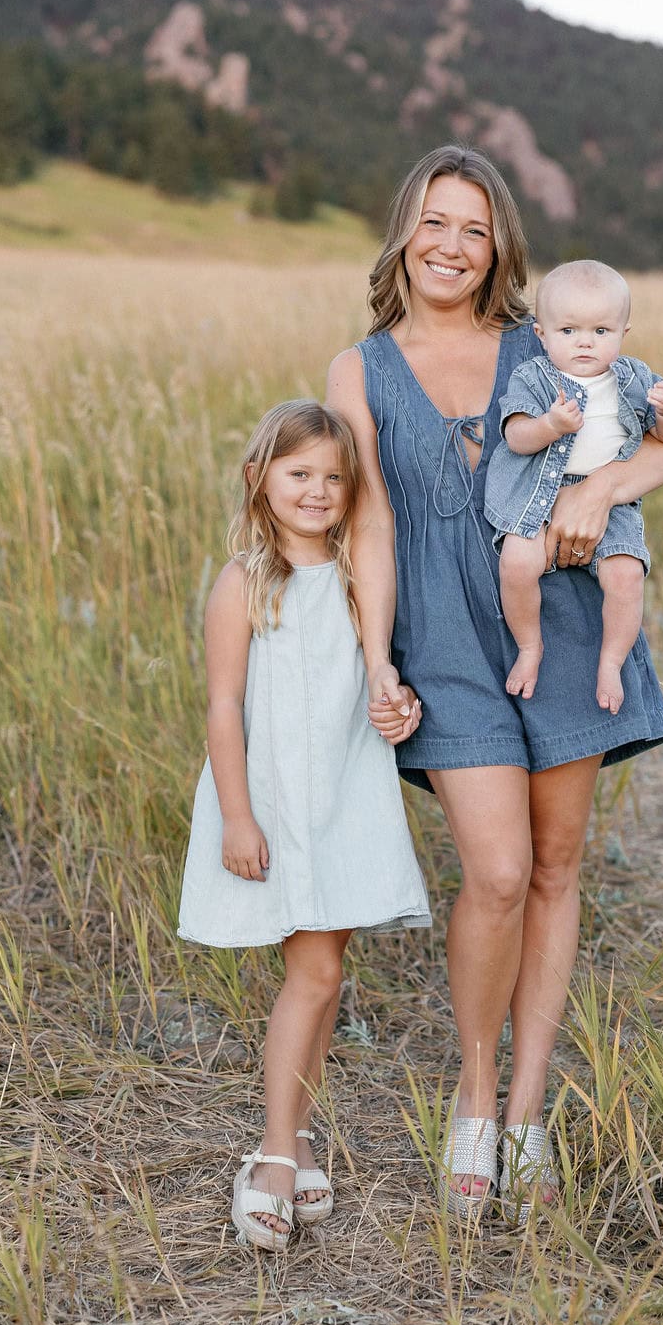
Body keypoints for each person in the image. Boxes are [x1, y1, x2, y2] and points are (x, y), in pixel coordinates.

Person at [327, 145, 663, 1226]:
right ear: (405, 232)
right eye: (435, 222)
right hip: (442, 640)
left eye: (475, 230)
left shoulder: (546, 342)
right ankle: (476, 1097)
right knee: (495, 872)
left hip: (560, 624)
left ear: (500, 251)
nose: (451, 246)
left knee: (554, 867)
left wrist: (602, 489)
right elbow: (370, 522)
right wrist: (377, 658)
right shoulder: (360, 369)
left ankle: (528, 1108)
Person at [177, 400, 431, 1252]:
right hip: (277, 801)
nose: (318, 490)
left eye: (333, 477)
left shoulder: (359, 575)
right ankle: (275, 1155)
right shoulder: (245, 581)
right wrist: (236, 815)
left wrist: (400, 706)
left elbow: (379, 681)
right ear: (260, 479)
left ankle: (301, 1133)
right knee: (314, 976)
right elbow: (223, 706)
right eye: (299, 474)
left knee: (325, 973)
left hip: (347, 797)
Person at [485, 259, 663, 708]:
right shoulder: (533, 378)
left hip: (613, 504)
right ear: (542, 334)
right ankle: (529, 647)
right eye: (569, 330)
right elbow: (516, 437)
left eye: (600, 331)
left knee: (626, 574)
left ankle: (611, 662)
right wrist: (550, 425)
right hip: (535, 495)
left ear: (622, 334)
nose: (585, 342)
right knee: (516, 564)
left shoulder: (635, 379)